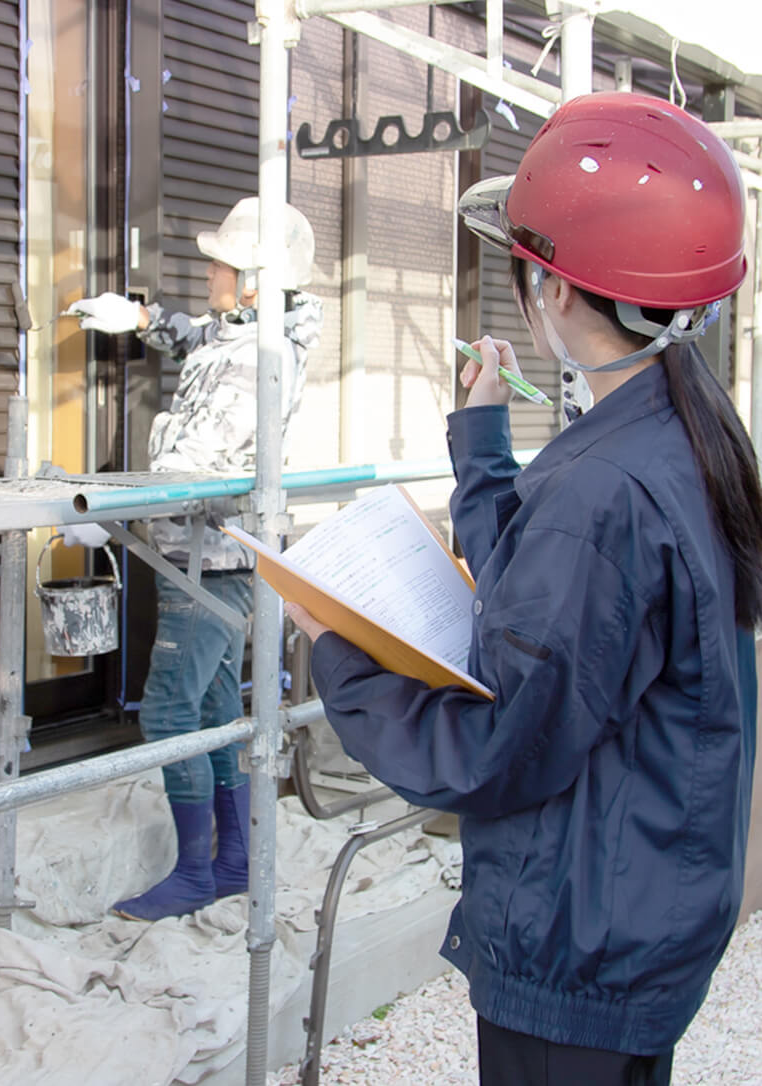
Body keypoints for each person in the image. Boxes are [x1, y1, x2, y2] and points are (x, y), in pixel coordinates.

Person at [285, 92, 761, 1086]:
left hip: (580, 938)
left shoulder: (604, 488)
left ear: (554, 288)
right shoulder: (680, 429)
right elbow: (544, 595)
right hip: (637, 897)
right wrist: (483, 435)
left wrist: (337, 650)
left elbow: (494, 749)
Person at [64, 198, 322, 921]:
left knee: (170, 709)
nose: (208, 273)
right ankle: (232, 862)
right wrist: (142, 319)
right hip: (211, 556)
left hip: (208, 561)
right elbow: (200, 338)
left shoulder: (257, 360)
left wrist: (106, 510)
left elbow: (192, 461)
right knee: (212, 707)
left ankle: (193, 873)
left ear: (255, 283)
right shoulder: (245, 333)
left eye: (222, 265)